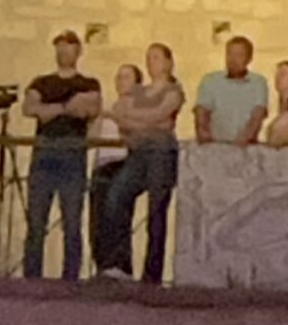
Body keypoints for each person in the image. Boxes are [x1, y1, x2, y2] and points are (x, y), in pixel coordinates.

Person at [22, 34, 101, 282]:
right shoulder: (41, 82)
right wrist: (67, 107)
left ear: (78, 52)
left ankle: (70, 279)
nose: (63, 53)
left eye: (68, 48)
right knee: (36, 222)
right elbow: (30, 108)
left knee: (72, 222)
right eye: (60, 49)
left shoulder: (88, 83)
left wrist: (50, 109)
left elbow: (91, 109)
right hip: (44, 151)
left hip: (72, 152)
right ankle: (31, 278)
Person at [107, 40, 183, 285]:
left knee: (156, 212)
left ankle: (152, 274)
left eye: (157, 57)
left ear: (169, 63)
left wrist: (135, 120)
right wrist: (150, 123)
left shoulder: (173, 91)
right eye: (149, 58)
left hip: (161, 153)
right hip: (138, 153)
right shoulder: (139, 92)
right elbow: (121, 114)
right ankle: (121, 264)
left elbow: (160, 115)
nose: (151, 62)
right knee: (117, 195)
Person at [88, 65, 141, 278]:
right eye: (118, 77)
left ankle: (120, 265)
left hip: (123, 162)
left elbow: (135, 136)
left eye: (126, 77)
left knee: (118, 215)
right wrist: (98, 118)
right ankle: (102, 265)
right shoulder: (108, 106)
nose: (121, 81)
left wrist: (117, 117)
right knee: (97, 216)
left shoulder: (139, 109)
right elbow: (91, 138)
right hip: (102, 163)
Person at [194, 34, 269, 145]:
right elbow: (202, 112)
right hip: (215, 146)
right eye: (229, 54)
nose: (232, 60)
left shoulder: (258, 83)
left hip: (246, 147)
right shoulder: (210, 81)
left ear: (249, 58)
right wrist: (204, 135)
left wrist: (243, 140)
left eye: (239, 55)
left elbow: (257, 115)